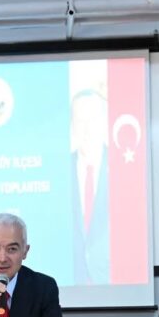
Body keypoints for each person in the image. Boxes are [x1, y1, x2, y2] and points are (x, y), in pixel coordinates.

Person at [69, 89, 110, 284]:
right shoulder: (61, 169)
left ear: (103, 122)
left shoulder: (122, 167)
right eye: (80, 121)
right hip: (70, 280)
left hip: (113, 283)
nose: (86, 129)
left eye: (92, 120)